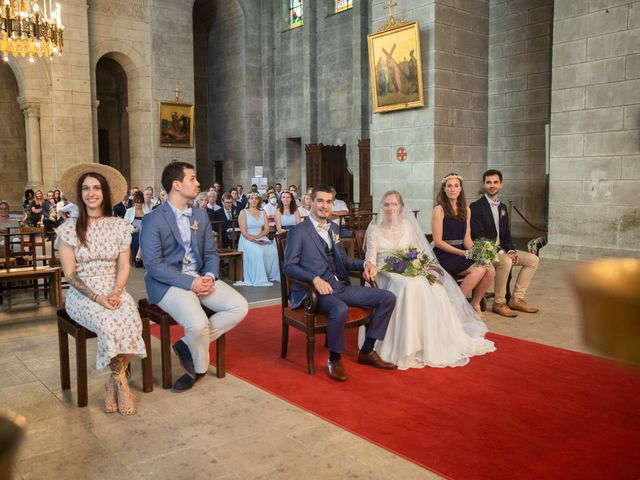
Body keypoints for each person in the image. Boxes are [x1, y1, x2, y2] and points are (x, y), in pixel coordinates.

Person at [140, 161, 248, 392]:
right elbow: (153, 265)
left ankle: (185, 345)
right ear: (177, 184)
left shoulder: (199, 214)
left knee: (240, 306)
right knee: (198, 324)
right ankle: (199, 369)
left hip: (200, 275)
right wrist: (191, 283)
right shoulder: (152, 219)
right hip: (168, 282)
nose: (198, 183)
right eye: (192, 178)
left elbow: (210, 252)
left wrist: (208, 275)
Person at [363, 191, 495, 369]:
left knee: (432, 285)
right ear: (382, 207)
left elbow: (418, 251)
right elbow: (370, 258)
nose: (390, 208)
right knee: (408, 284)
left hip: (408, 266)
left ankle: (428, 341)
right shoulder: (375, 230)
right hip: (385, 271)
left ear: (401, 207)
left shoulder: (408, 226)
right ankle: (406, 346)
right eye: (386, 204)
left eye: (394, 204)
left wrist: (423, 266)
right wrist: (369, 265)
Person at [57, 163, 147, 415]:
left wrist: (117, 292)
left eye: (96, 188)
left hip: (112, 288)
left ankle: (115, 380)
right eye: (85, 188)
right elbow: (70, 274)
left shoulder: (118, 226)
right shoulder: (68, 229)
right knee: (109, 323)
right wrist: (98, 298)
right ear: (79, 194)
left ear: (105, 193)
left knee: (130, 317)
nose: (91, 193)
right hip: (82, 293)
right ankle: (122, 385)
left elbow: (124, 266)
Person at [284, 184, 397, 382]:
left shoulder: (334, 228)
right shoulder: (298, 232)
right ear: (311, 202)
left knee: (387, 298)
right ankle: (334, 359)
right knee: (340, 309)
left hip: (339, 286)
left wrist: (366, 264)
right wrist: (314, 279)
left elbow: (343, 260)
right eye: (320, 201)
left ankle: (367, 351)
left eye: (329, 202)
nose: (324, 206)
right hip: (313, 292)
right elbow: (289, 267)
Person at [470, 169, 540, 317]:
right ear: (484, 185)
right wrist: (503, 253)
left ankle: (516, 299)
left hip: (502, 250)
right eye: (488, 182)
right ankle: (499, 302)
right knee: (506, 261)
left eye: (495, 182)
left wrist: (512, 250)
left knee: (533, 260)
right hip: (484, 252)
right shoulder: (475, 207)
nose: (492, 185)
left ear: (501, 184)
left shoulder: (502, 207)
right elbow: (478, 236)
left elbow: (506, 234)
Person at [432, 173, 495, 319]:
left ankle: (475, 304)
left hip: (462, 251)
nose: (453, 189)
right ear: (444, 189)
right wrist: (462, 253)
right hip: (444, 253)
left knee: (490, 269)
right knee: (478, 270)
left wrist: (478, 252)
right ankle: (455, 305)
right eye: (449, 186)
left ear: (460, 189)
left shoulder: (466, 209)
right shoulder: (439, 210)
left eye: (456, 186)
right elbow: (438, 242)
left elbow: (466, 239)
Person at [235, 192, 279, 286]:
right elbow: (243, 230)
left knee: (273, 250)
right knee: (258, 251)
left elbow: (267, 229)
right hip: (247, 238)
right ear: (248, 200)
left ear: (259, 200)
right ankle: (260, 278)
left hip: (261, 236)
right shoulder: (243, 212)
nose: (254, 200)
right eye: (252, 198)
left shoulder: (263, 212)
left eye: (256, 198)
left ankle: (270, 275)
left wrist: (258, 237)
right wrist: (251, 238)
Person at [124, 191, 145, 267]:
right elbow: (125, 224)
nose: (138, 204)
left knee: (144, 236)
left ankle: (142, 258)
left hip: (145, 231)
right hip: (134, 231)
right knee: (136, 237)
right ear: (134, 202)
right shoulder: (129, 211)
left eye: (140, 203)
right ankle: (137, 259)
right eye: (136, 203)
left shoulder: (147, 211)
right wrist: (133, 229)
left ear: (142, 203)